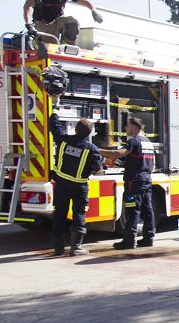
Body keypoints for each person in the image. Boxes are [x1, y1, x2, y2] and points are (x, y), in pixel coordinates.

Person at [48, 94, 103, 256]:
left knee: (59, 214)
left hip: (61, 184)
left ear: (75, 129)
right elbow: (97, 169)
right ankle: (76, 247)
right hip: (79, 187)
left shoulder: (63, 140)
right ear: (89, 133)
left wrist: (55, 105)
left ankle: (58, 248)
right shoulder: (92, 149)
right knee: (79, 214)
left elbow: (54, 125)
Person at [100, 117, 156, 249]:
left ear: (133, 126)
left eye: (127, 126)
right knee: (147, 210)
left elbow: (118, 153)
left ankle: (129, 241)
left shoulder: (134, 141)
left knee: (132, 210)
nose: (125, 129)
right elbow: (147, 162)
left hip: (134, 182)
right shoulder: (147, 142)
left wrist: (97, 150)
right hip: (146, 180)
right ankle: (149, 238)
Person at [23, 0, 102, 46]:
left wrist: (94, 11)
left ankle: (66, 46)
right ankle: (39, 42)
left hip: (58, 20)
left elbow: (84, 2)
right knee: (50, 46)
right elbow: (27, 6)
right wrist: (29, 24)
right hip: (42, 22)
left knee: (72, 23)